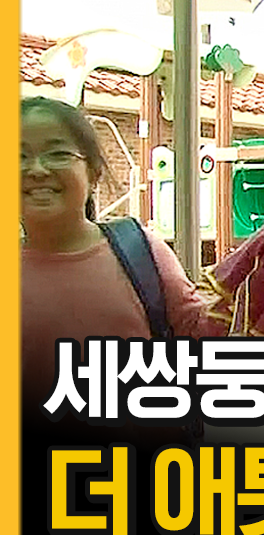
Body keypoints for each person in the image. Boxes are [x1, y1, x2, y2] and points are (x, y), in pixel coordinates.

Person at [21, 95, 227, 451]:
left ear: (94, 173)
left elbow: (206, 332)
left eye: (57, 153)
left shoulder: (139, 251)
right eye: (18, 156)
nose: (37, 169)